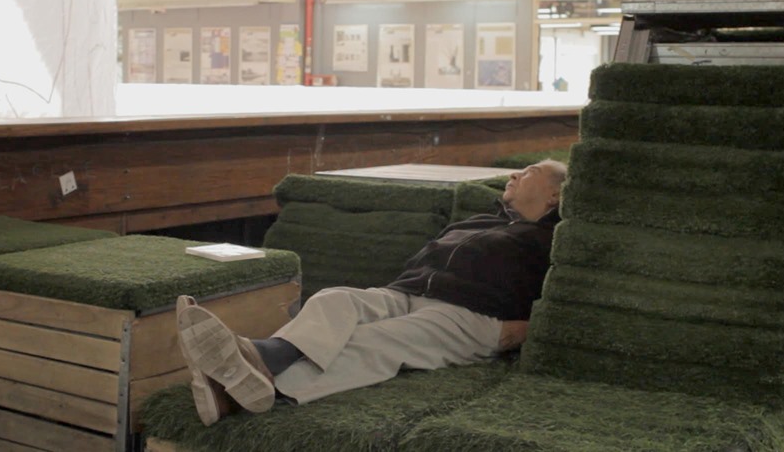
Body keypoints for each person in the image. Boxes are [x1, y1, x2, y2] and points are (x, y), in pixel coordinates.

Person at [176, 159, 567, 426]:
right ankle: (262, 358)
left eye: (529, 172)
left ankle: (258, 387)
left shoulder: (553, 239)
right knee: (335, 299)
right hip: (407, 292)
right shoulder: (480, 221)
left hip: (469, 316)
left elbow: (561, 301)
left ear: (555, 195)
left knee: (377, 339)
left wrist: (520, 332)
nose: (514, 174)